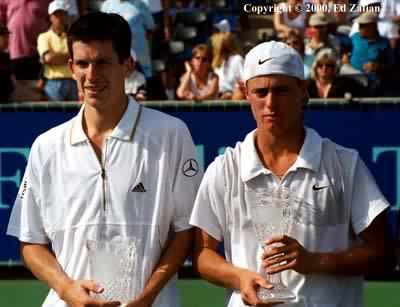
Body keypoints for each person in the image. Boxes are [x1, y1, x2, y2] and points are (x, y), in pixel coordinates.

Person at [7, 12, 202, 307]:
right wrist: (67, 289)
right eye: (83, 64)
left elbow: (185, 232)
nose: (91, 75)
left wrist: (147, 297)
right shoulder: (45, 147)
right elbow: (31, 241)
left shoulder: (171, 134)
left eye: (102, 62)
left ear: (127, 65)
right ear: (71, 67)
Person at [190, 41, 391, 307]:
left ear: (302, 92)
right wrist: (240, 277)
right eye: (261, 92)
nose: (270, 103)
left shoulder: (345, 164)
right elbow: (203, 254)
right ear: (245, 93)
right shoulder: (224, 168)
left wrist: (316, 261)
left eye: (281, 90)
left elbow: (384, 254)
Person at [101, 0, 155, 79]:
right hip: (117, 52)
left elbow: (150, 26)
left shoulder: (141, 4)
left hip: (140, 53)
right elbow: (102, 29)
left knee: (146, 77)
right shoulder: (107, 5)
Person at [37, 1, 78, 101]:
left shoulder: (73, 37)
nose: (60, 18)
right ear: (50, 17)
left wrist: (56, 57)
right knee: (54, 115)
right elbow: (48, 58)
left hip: (73, 82)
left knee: (75, 115)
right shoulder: (44, 37)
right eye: (56, 15)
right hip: (53, 83)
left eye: (62, 14)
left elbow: (78, 56)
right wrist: (70, 55)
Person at [210, 32, 244, 100]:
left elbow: (244, 82)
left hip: (233, 99)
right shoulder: (216, 63)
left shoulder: (237, 59)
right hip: (217, 98)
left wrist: (231, 94)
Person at [0, 23, 15, 102]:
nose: (7, 40)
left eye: (7, 37)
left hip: (7, 99)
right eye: (4, 37)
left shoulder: (6, 56)